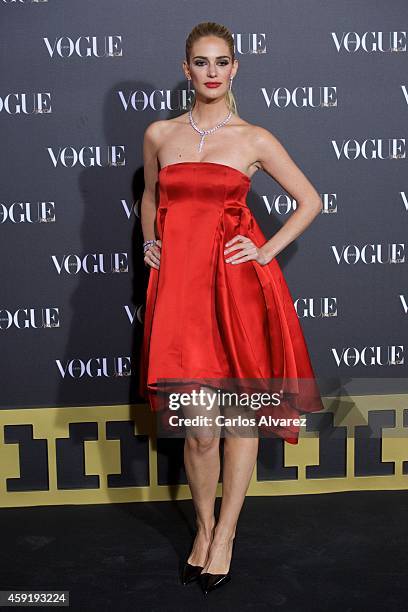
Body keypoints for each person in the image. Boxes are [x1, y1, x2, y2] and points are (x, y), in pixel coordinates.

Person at [139, 21, 324, 595]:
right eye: (201, 62)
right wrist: (152, 238)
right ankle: (202, 526)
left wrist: (265, 250)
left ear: (235, 68)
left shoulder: (254, 138)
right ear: (186, 68)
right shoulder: (160, 134)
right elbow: (150, 197)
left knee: (240, 417)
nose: (212, 72)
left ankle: (224, 536)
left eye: (222, 62)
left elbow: (310, 200)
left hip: (236, 289)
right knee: (198, 431)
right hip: (181, 293)